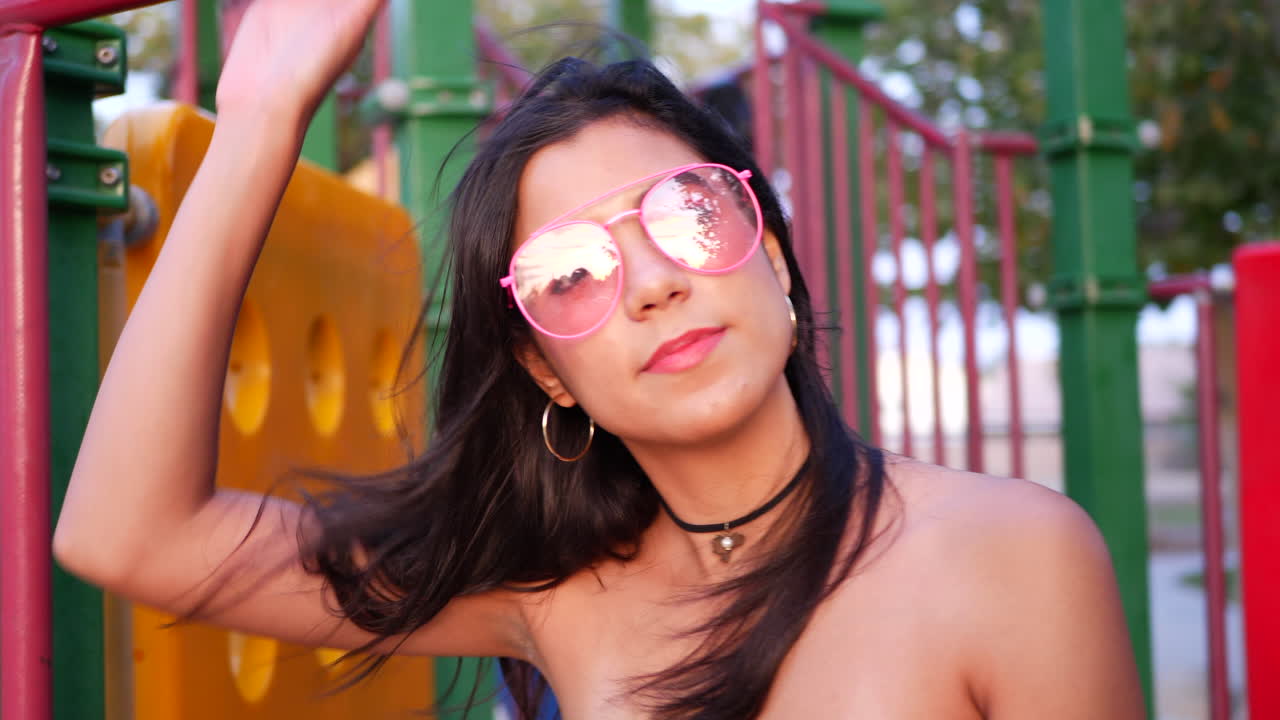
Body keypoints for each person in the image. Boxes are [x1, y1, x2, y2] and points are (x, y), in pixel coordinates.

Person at [54, 1, 1145, 718]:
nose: (655, 282)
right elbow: (128, 533)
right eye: (570, 274)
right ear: (543, 370)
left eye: (686, 214)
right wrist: (256, 122)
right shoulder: (557, 591)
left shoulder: (1011, 556)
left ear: (765, 246)